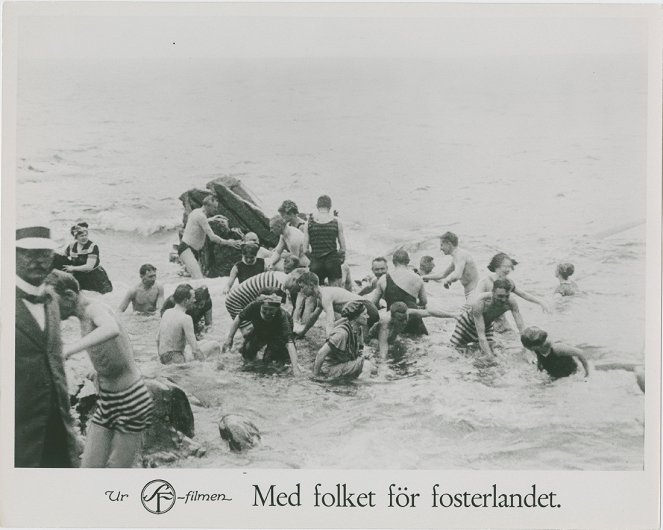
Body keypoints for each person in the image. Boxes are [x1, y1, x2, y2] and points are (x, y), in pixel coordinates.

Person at [46, 270, 154, 468]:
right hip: (107, 402)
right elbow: (113, 348)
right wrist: (95, 369)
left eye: (52, 301)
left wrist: (69, 350)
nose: (50, 308)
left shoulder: (94, 308)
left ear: (69, 295)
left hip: (131, 400)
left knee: (115, 473)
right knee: (89, 468)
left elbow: (111, 329)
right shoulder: (83, 318)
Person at [15, 225, 79, 468]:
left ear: (53, 257)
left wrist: (70, 431)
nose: (37, 260)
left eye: (44, 253)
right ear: (13, 255)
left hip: (57, 433)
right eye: (28, 253)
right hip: (17, 439)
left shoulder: (52, 300)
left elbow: (56, 366)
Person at [222, 294, 301, 375]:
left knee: (269, 359)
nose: (267, 312)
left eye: (271, 310)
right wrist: (230, 338)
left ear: (277, 309)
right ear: (260, 305)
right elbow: (239, 318)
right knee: (247, 349)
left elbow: (289, 342)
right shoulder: (253, 306)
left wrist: (295, 368)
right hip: (261, 329)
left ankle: (282, 360)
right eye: (265, 309)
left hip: (277, 333)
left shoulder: (282, 317)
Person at [450, 279, 525, 356]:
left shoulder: (511, 302)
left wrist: (528, 350)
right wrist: (490, 357)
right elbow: (481, 336)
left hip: (487, 326)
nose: (503, 300)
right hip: (466, 324)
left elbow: (521, 329)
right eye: (500, 296)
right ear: (492, 293)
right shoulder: (481, 302)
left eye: (507, 296)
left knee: (490, 351)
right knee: (454, 351)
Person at [294, 271, 379, 338]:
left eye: (302, 287)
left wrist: (329, 340)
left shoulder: (325, 296)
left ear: (311, 285)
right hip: (365, 309)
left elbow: (330, 321)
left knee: (358, 342)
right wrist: (303, 332)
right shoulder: (321, 296)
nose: (301, 290)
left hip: (367, 309)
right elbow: (313, 317)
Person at [178, 194, 242, 279]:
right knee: (199, 279)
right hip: (187, 249)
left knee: (196, 278)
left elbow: (198, 223)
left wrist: (212, 219)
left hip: (191, 250)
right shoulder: (201, 216)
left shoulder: (196, 212)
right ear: (207, 206)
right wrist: (229, 242)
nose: (216, 210)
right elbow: (212, 237)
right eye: (214, 207)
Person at [369, 301, 458, 358]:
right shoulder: (385, 324)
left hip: (391, 336)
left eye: (405, 319)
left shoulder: (407, 312)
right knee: (382, 347)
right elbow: (383, 346)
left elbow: (429, 312)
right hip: (373, 339)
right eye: (400, 320)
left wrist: (453, 315)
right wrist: (383, 369)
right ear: (392, 318)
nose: (404, 322)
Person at [157, 284, 220, 364]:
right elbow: (195, 350)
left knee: (205, 342)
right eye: (193, 298)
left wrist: (161, 359)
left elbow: (157, 339)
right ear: (186, 301)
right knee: (215, 345)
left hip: (164, 356)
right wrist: (204, 367)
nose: (194, 301)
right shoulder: (186, 318)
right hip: (177, 358)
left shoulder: (166, 312)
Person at [371, 249, 428, 335]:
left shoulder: (383, 279)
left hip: (394, 320)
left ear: (393, 262)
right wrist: (414, 304)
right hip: (413, 318)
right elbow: (424, 301)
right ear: (408, 261)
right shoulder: (418, 278)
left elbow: (374, 303)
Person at [313, 301, 374, 381]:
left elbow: (360, 350)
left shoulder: (358, 329)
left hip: (343, 364)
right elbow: (321, 354)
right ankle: (359, 388)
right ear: (356, 317)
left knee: (373, 366)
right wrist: (315, 376)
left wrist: (366, 356)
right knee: (367, 365)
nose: (368, 316)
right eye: (365, 314)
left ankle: (355, 382)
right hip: (329, 369)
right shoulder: (342, 333)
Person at [475, 252, 551, 313]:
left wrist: (540, 302)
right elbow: (475, 299)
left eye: (510, 267)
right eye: (505, 266)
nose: (508, 269)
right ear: (496, 266)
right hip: (483, 316)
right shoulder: (485, 281)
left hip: (499, 317)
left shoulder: (508, 283)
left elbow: (523, 294)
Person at [302, 195, 346, 287]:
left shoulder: (309, 223)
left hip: (316, 262)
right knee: (335, 293)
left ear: (317, 206)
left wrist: (313, 259)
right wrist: (338, 258)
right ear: (330, 206)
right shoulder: (337, 222)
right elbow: (343, 249)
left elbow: (305, 250)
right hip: (333, 262)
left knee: (315, 293)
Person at [59, 222, 113, 293]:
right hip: (80, 276)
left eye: (86, 235)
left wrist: (72, 268)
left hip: (94, 276)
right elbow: (64, 256)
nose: (85, 237)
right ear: (76, 237)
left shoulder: (92, 246)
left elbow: (89, 266)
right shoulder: (71, 246)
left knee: (100, 296)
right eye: (81, 236)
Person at [422, 232, 478, 299]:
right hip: (472, 294)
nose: (440, 248)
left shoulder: (460, 255)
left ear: (448, 244)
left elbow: (457, 276)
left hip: (475, 294)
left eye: (442, 245)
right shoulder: (457, 257)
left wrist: (448, 280)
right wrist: (423, 277)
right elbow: (442, 274)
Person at [520, 326, 590, 379]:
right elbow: (540, 359)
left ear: (537, 345)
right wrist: (539, 369)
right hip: (556, 375)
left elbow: (580, 353)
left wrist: (587, 374)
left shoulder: (557, 348)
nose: (526, 348)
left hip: (571, 375)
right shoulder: (537, 349)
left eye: (528, 347)